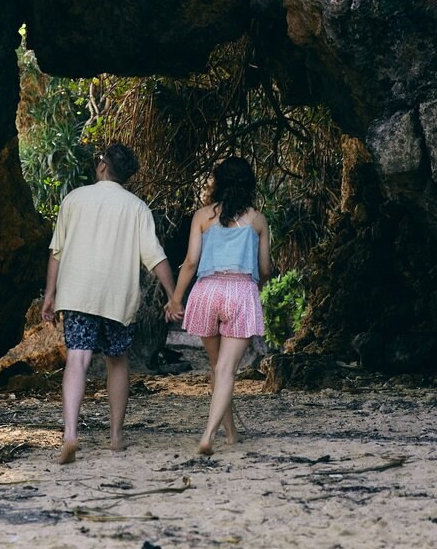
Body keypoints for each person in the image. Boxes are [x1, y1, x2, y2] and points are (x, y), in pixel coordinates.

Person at [41, 143, 177, 465]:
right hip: (117, 298)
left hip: (77, 294)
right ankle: (116, 437)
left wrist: (50, 295)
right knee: (117, 362)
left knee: (77, 361)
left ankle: (71, 433)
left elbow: (56, 252)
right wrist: (173, 294)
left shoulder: (74, 199)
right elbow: (155, 257)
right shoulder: (136, 207)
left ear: (102, 166)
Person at [164, 157, 271, 454]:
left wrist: (176, 299)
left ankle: (231, 433)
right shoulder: (258, 220)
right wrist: (256, 285)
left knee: (217, 368)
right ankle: (208, 436)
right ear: (249, 184)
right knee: (226, 370)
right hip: (239, 291)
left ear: (218, 183)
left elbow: (190, 263)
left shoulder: (202, 217)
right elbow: (264, 269)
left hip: (206, 291)